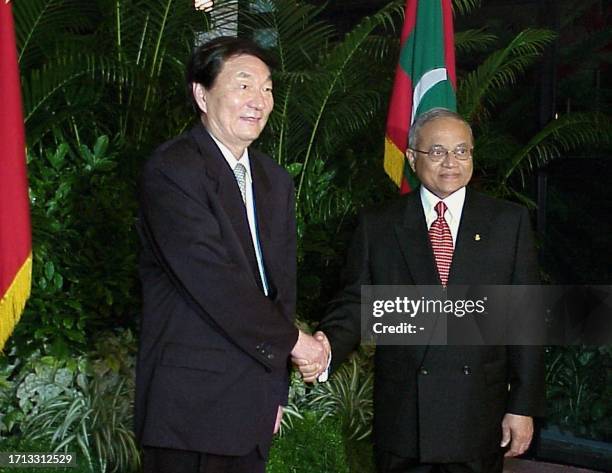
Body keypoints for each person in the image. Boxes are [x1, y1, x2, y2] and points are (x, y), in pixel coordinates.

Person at [295, 108, 545, 473]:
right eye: (438, 151)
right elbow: (357, 304)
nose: (451, 162)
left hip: (477, 413)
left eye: (462, 151)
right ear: (412, 157)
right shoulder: (379, 224)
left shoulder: (508, 222)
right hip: (404, 416)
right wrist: (326, 348)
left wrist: (522, 405)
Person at [135, 36, 327, 473]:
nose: (259, 99)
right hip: (190, 408)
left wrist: (276, 389)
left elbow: (281, 288)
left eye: (267, 88)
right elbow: (213, 279)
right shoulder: (173, 169)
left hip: (253, 403)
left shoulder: (274, 180)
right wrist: (296, 342)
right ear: (202, 94)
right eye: (243, 85)